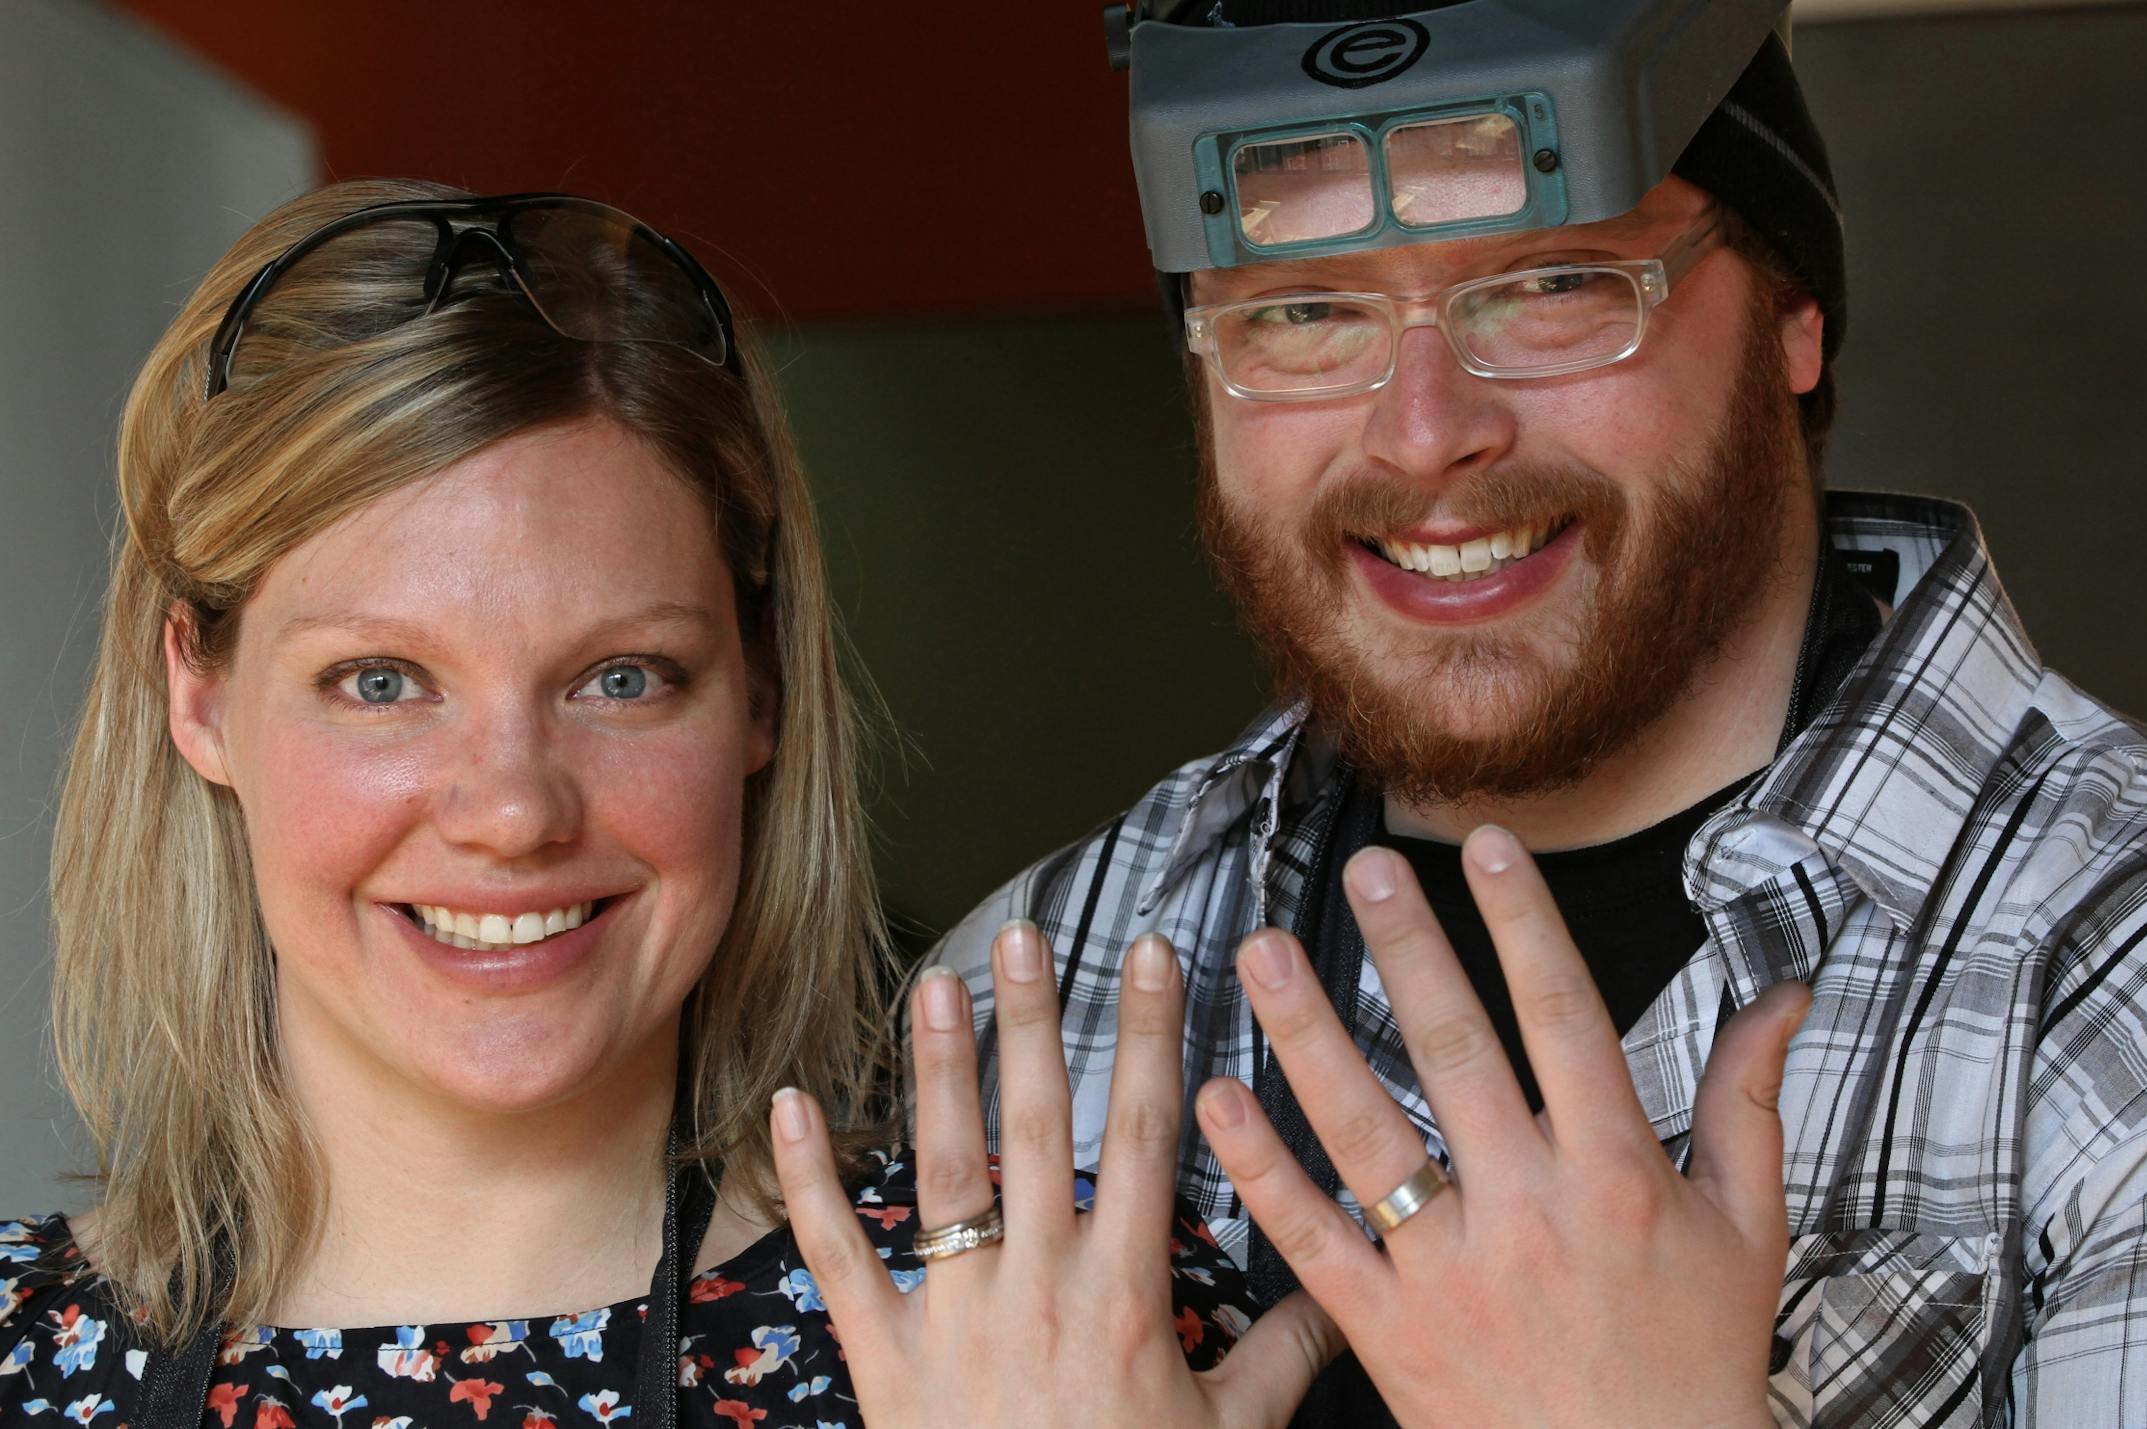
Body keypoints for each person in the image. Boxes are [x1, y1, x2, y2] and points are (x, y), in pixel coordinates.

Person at [924, 3, 2147, 1424]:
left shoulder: (2114, 989)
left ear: (1792, 318)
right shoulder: (1027, 998)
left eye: (1555, 280)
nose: (1429, 427)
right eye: (1304, 309)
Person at [0, 179, 1248, 1429]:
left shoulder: (1071, 1327)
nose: (512, 812)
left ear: (758, 687)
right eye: (380, 681)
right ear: (200, 696)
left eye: (621, 678)